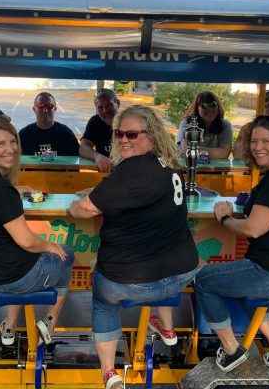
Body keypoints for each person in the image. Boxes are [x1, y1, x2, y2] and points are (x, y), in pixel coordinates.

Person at [69, 105, 198, 389]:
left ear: (151, 136)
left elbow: (85, 210)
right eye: (118, 134)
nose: (123, 139)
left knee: (103, 300)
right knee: (159, 253)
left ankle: (109, 373)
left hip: (132, 283)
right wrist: (102, 193)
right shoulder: (169, 164)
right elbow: (135, 195)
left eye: (131, 134)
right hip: (181, 276)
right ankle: (166, 327)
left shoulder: (131, 172)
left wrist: (74, 204)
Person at [195, 115, 269, 373]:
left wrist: (225, 218)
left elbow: (253, 229)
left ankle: (231, 350)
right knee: (237, 283)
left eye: (266, 141)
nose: (258, 147)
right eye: (253, 141)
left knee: (204, 279)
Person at [0, 115, 74, 346]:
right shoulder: (2, 190)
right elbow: (27, 241)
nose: (10, 149)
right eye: (0, 144)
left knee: (19, 257)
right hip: (15, 277)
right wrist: (50, 246)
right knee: (66, 253)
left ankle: (9, 327)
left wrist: (15, 189)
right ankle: (50, 321)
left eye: (13, 142)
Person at [177, 91, 233, 159]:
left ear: (218, 106)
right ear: (197, 108)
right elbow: (183, 151)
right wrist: (216, 152)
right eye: (204, 105)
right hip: (187, 168)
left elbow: (224, 154)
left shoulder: (225, 125)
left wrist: (194, 149)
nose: (209, 109)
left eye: (213, 104)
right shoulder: (186, 123)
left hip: (215, 169)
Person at [79, 88, 120, 172]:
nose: (105, 110)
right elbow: (83, 148)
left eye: (109, 105)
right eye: (100, 107)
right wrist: (98, 157)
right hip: (105, 174)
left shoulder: (129, 121)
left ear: (117, 103)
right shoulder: (95, 122)